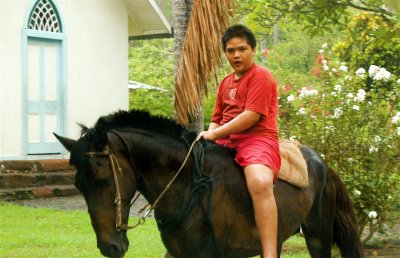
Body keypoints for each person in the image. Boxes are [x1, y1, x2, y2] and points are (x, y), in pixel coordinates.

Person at [198, 24, 281, 257]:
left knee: (259, 182)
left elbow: (250, 116)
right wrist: (206, 139)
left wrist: (214, 134)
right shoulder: (225, 82)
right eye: (230, 50)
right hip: (226, 141)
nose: (236, 55)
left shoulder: (261, 76)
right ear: (225, 53)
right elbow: (216, 119)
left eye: (242, 49)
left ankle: (269, 253)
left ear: (253, 50)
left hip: (257, 139)